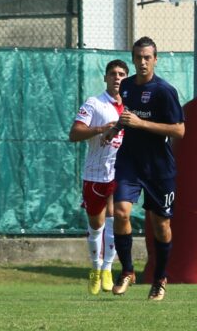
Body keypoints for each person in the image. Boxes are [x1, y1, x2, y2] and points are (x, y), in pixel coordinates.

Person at [102, 37, 185, 301]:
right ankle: (127, 270)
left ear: (155, 59)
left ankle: (160, 278)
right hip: (130, 162)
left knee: (160, 225)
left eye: (147, 57)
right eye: (138, 57)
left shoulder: (164, 91)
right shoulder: (126, 86)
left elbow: (179, 130)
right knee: (121, 211)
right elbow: (128, 117)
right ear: (134, 58)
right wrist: (116, 128)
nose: (142, 62)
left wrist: (141, 123)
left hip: (159, 169)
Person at [69, 60, 129, 295]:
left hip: (121, 172)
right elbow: (74, 133)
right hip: (95, 174)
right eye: (113, 74)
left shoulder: (131, 107)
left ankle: (107, 269)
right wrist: (100, 129)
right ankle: (95, 268)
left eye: (122, 74)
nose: (117, 78)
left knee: (116, 220)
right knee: (97, 225)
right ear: (105, 78)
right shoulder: (95, 103)